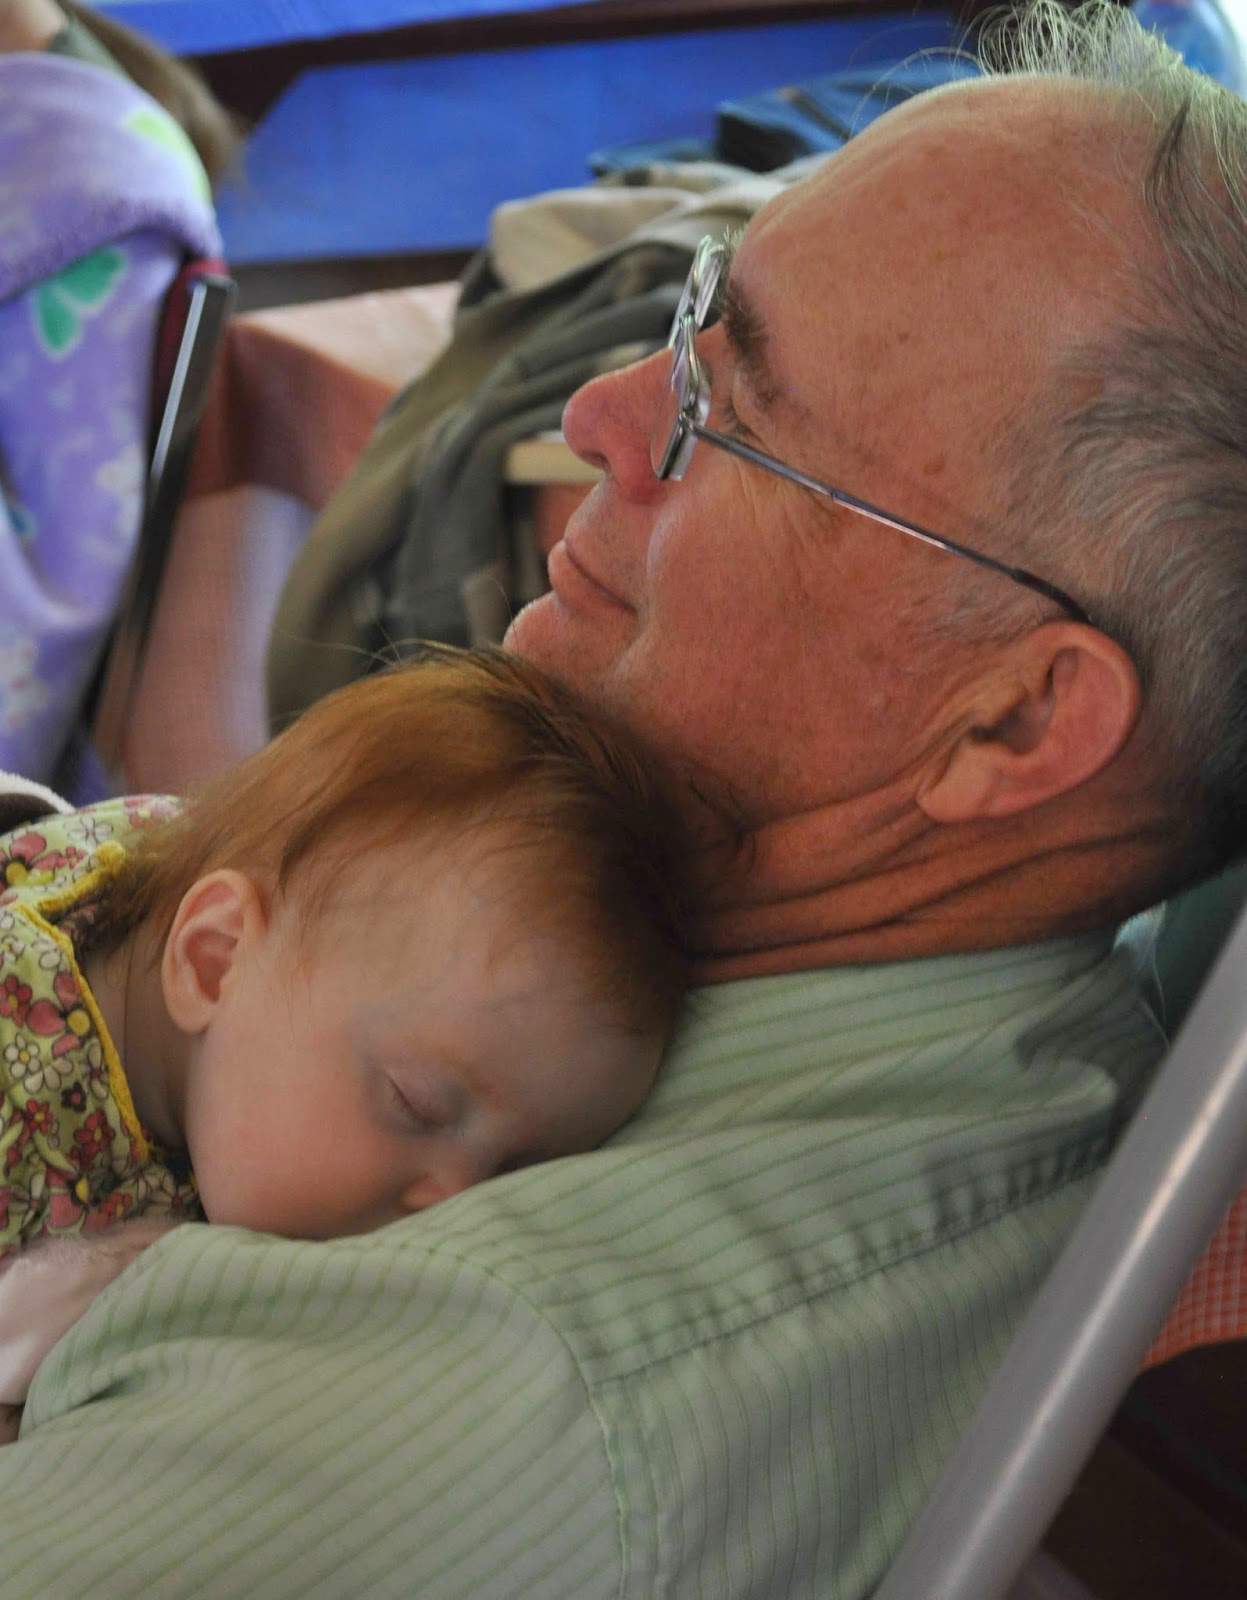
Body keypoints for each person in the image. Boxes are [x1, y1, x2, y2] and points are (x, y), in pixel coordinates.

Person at [0, 2, 1241, 1594]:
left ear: (1009, 719)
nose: (597, 416)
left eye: (740, 416)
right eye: (691, 317)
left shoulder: (479, 1388)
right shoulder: (1019, 1042)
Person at [0, 647, 689, 1436]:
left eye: (515, 1174)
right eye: (416, 1106)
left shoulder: (235, 974)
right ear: (213, 961)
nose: (454, 1209)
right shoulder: (25, 1086)